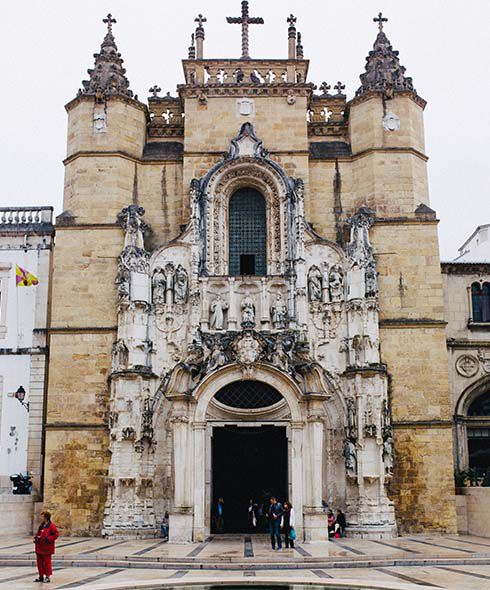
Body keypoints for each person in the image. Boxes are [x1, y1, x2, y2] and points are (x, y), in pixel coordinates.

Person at [33, 510, 59, 583]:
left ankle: (47, 577)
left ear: (46, 517)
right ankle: (41, 576)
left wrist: (48, 539)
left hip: (47, 548)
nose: (41, 518)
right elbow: (38, 533)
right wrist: (36, 538)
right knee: (39, 563)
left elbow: (56, 534)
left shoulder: (51, 526)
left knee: (47, 563)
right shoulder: (41, 525)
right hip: (39, 547)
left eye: (42, 516)